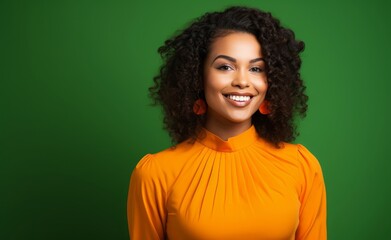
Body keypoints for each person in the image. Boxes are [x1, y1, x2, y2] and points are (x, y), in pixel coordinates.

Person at [127, 6, 326, 240]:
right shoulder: (155, 174)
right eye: (225, 67)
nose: (242, 81)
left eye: (256, 68)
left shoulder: (301, 166)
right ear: (198, 76)